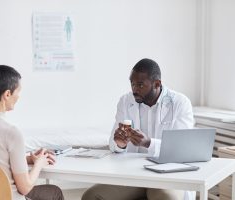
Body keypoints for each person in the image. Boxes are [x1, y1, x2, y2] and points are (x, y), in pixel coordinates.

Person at [82, 58, 194, 200]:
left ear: (157, 84)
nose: (134, 89)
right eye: (132, 84)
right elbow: (113, 144)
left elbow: (181, 149)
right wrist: (119, 144)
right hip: (133, 174)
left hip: (166, 175)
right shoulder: (125, 101)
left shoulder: (179, 103)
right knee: (92, 196)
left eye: (140, 85)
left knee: (166, 198)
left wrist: (148, 143)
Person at [0, 65, 64, 200]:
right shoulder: (11, 132)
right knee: (54, 192)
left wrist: (28, 159)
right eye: (18, 91)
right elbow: (25, 188)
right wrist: (39, 164)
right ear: (7, 94)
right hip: (8, 197)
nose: (19, 96)